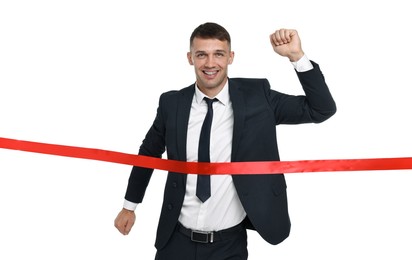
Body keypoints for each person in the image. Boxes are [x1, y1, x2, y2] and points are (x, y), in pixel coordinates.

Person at [114, 22, 336, 260]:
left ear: (231, 57)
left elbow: (321, 109)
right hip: (175, 241)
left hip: (229, 246)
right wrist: (130, 206)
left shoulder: (258, 97)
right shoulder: (172, 104)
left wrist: (296, 56)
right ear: (190, 58)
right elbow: (148, 153)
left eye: (218, 54)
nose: (210, 63)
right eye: (202, 55)